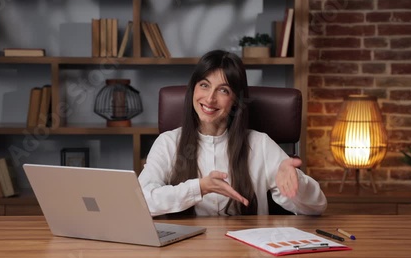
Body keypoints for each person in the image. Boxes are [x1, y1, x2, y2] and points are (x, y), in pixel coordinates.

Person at [138, 50, 327, 216]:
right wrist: (199, 188)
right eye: (204, 85)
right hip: (185, 253)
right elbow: (141, 201)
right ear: (193, 89)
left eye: (223, 90)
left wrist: (296, 180)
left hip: (248, 252)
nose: (210, 99)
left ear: (236, 99)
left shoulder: (260, 144)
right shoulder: (168, 143)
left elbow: (317, 206)